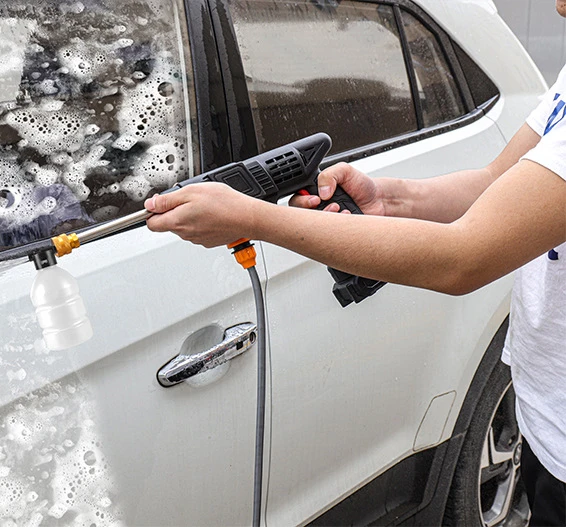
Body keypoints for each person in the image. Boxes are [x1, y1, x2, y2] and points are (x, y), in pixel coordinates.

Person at [143, 2, 566, 523]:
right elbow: (495, 180)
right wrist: (389, 197)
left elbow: (463, 259)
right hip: (546, 426)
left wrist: (254, 218)